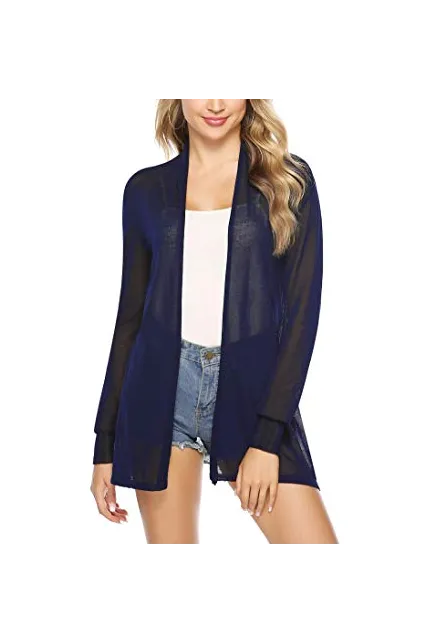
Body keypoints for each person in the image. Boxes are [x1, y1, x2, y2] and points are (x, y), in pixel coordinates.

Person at [90, 97, 338, 544]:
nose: (217, 103)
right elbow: (130, 319)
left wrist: (267, 438)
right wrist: (104, 445)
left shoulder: (286, 180)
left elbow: (303, 317)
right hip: (160, 395)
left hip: (252, 393)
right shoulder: (145, 190)